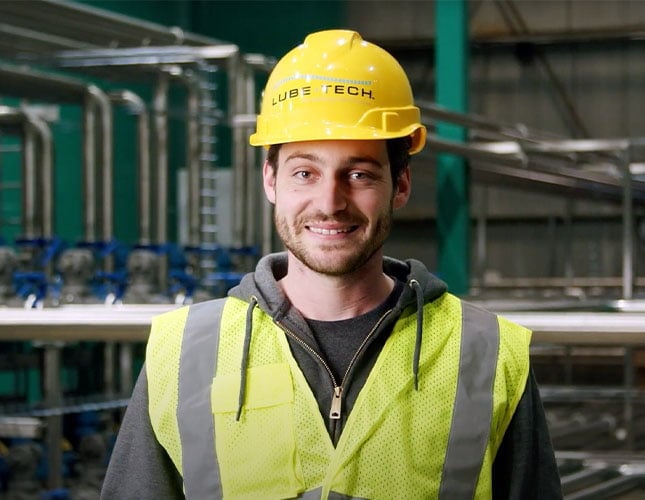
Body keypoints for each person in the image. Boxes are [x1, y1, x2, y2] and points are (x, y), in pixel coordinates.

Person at [101, 29, 562, 499]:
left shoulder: (486, 354)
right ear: (271, 181)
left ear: (400, 184)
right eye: (305, 173)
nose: (330, 202)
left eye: (358, 174)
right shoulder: (184, 355)